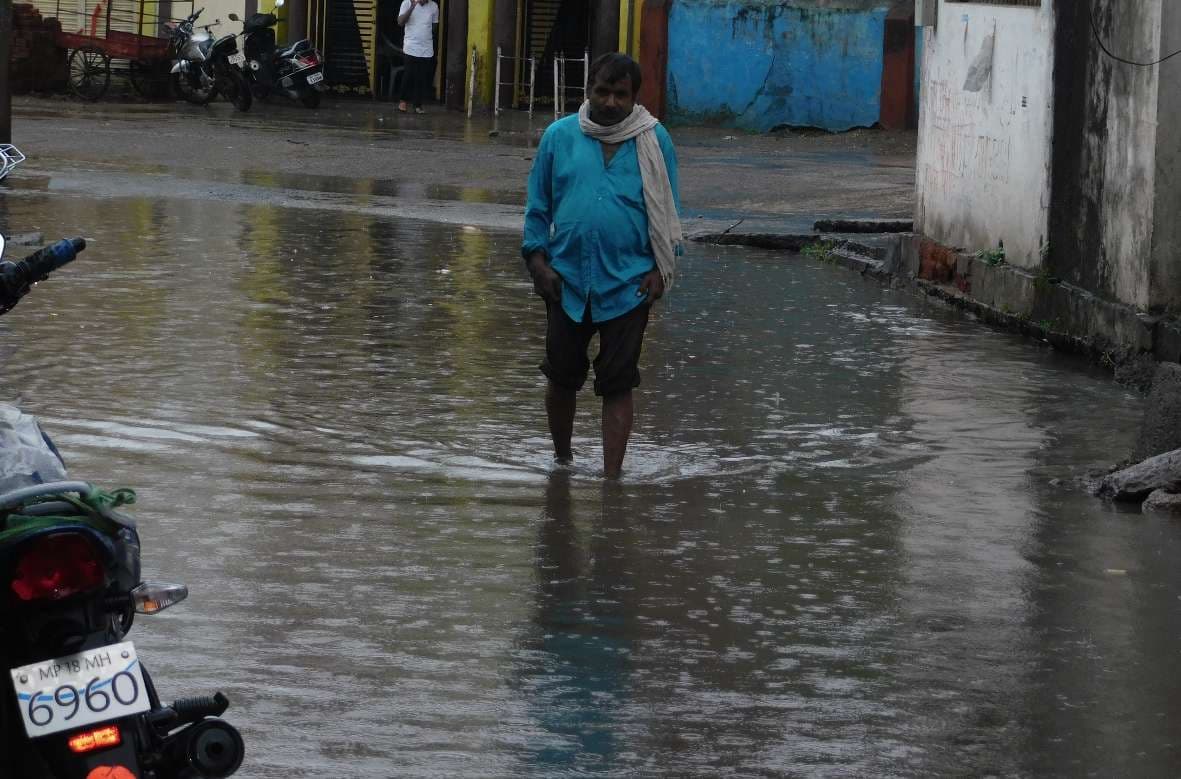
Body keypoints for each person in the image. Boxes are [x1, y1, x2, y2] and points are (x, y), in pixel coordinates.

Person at [522, 52, 682, 478]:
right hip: (566, 280)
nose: (611, 102)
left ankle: (612, 479)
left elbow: (668, 210)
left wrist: (659, 270)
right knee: (561, 377)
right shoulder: (559, 136)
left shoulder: (654, 139)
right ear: (588, 90)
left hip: (630, 283)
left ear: (635, 98)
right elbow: (538, 208)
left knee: (618, 382)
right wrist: (537, 263)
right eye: (603, 92)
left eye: (621, 95)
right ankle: (562, 465)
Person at [396, 0, 438, 113]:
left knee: (422, 76)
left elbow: (434, 26)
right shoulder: (407, 3)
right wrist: (412, 7)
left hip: (426, 47)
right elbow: (400, 22)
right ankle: (402, 102)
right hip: (411, 46)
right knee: (408, 74)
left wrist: (425, 36)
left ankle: (417, 105)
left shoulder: (434, 6)